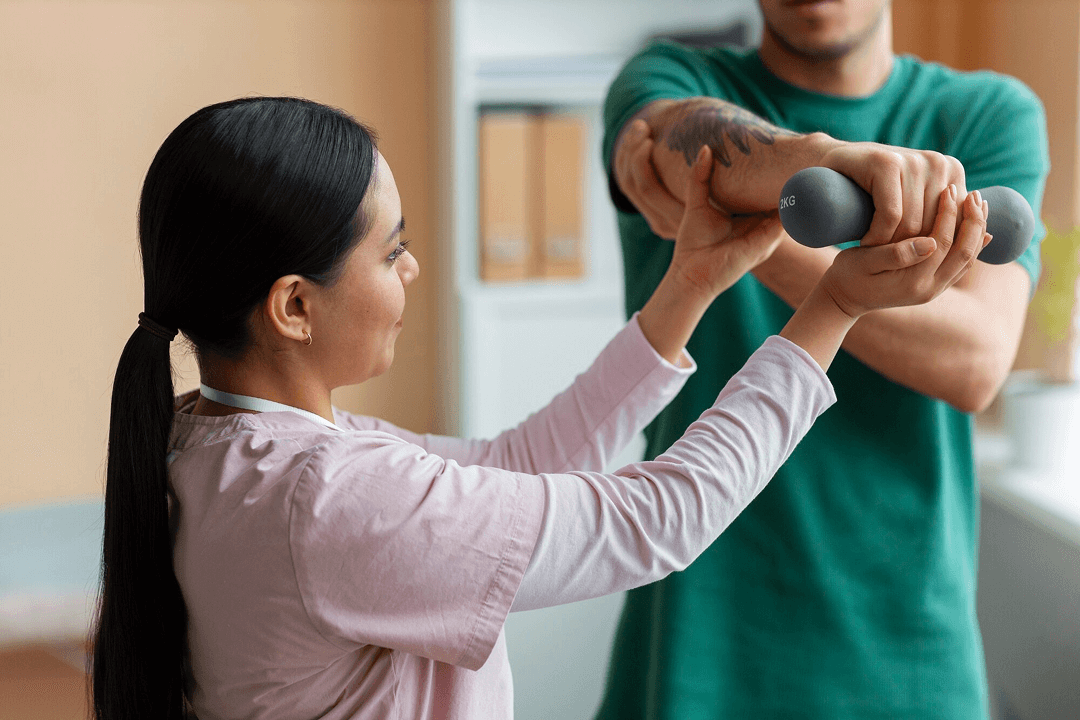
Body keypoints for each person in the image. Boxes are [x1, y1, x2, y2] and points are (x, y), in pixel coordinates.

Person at [91, 96, 987, 720]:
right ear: (294, 306)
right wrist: (833, 309)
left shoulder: (214, 443)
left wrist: (689, 285)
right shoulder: (327, 499)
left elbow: (520, 463)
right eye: (390, 249)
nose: (409, 269)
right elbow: (657, 521)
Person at [595, 1, 1049, 719]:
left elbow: (975, 360)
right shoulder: (667, 74)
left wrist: (747, 223)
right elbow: (672, 140)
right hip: (698, 649)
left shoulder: (984, 112)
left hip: (909, 661)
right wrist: (828, 167)